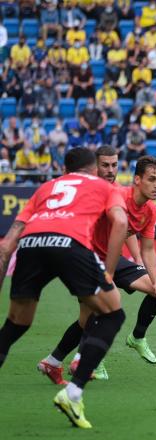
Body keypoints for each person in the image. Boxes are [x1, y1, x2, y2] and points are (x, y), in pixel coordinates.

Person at [0, 148, 128, 428]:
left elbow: (6, 245)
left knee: (16, 323)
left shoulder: (46, 188)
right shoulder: (105, 185)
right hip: (70, 243)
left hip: (31, 244)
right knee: (112, 314)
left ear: (64, 170)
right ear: (94, 168)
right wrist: (108, 271)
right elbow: (120, 221)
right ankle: (73, 392)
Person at [37, 149, 156, 385]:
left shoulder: (149, 209)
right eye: (152, 179)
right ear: (137, 180)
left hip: (112, 258)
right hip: (87, 258)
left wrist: (152, 276)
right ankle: (68, 360)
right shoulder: (114, 195)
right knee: (94, 313)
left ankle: (137, 337)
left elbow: (147, 247)